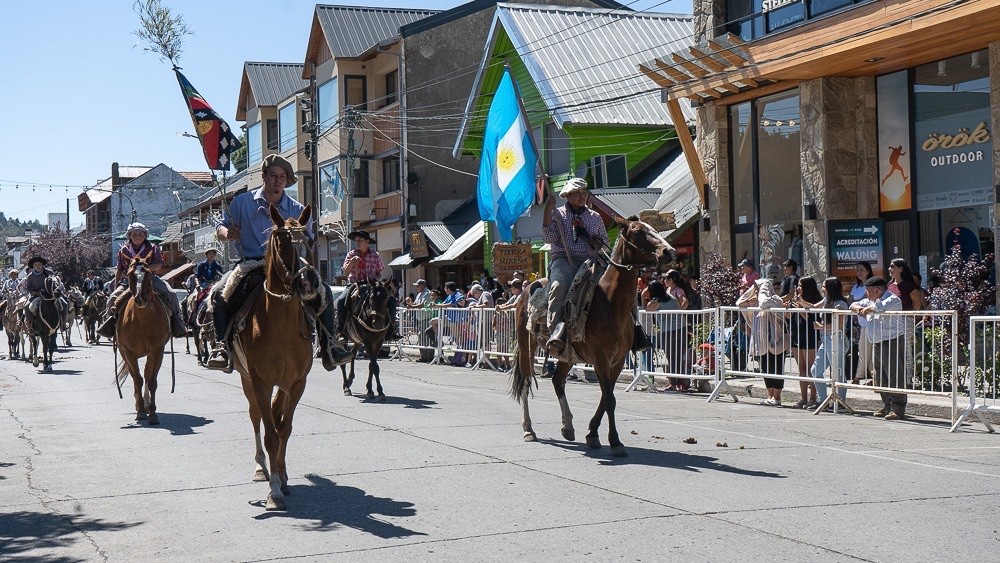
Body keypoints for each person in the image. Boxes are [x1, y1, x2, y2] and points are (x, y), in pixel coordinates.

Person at [207, 154, 350, 372]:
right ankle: (221, 347)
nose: (278, 180)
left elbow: (309, 240)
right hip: (251, 264)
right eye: (273, 175)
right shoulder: (242, 202)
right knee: (219, 293)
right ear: (263, 177)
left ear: (287, 181)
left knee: (325, 291)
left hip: (289, 268)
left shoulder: (297, 209)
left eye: (282, 177)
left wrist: (302, 239)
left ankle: (330, 345)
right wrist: (227, 233)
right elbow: (221, 227)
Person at [540, 177, 609, 352]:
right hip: (564, 258)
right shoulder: (558, 214)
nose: (582, 196)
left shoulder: (595, 217)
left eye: (584, 192)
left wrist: (597, 243)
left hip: (590, 260)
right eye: (577, 193)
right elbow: (549, 238)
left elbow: (605, 242)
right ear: (568, 195)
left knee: (613, 285)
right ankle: (556, 332)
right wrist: (547, 212)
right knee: (559, 285)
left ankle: (632, 330)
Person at [96, 224, 187, 339]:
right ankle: (109, 324)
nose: (137, 236)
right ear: (130, 236)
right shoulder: (123, 250)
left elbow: (158, 265)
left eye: (140, 234)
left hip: (149, 278)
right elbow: (119, 269)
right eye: (134, 234)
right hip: (130, 280)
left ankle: (177, 323)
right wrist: (115, 284)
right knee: (113, 298)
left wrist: (144, 269)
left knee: (172, 293)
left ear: (145, 236)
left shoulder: (153, 248)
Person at [850, 276, 908, 420]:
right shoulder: (870, 300)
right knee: (881, 376)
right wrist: (860, 309)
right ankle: (887, 405)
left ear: (877, 290)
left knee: (894, 375)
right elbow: (853, 305)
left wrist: (866, 309)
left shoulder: (893, 299)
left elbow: (877, 308)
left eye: (868, 290)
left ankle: (898, 408)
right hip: (877, 341)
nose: (866, 294)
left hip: (892, 340)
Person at [335, 229, 400, 342]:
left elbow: (379, 271)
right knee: (341, 301)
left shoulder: (375, 255)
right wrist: (352, 262)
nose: (357, 243)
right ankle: (340, 331)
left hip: (371, 285)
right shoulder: (351, 254)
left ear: (367, 241)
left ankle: (392, 330)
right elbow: (345, 272)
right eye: (356, 241)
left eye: (360, 240)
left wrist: (376, 279)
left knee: (391, 300)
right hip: (355, 284)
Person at [801, 277, 850, 408]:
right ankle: (825, 400)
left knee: (838, 371)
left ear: (830, 288)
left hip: (836, 339)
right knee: (816, 369)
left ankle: (840, 401)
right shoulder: (826, 300)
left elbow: (838, 324)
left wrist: (820, 327)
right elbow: (812, 307)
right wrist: (800, 300)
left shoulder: (840, 303)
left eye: (824, 286)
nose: (822, 288)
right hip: (825, 339)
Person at [738, 279, 786, 406]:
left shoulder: (775, 300)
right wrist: (752, 290)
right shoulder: (756, 302)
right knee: (766, 368)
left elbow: (764, 302)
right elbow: (740, 303)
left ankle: (777, 397)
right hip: (763, 342)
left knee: (776, 368)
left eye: (759, 288)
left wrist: (763, 287)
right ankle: (769, 396)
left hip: (776, 340)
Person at [788, 276, 822, 409]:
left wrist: (801, 305)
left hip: (809, 335)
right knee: (801, 368)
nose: (798, 288)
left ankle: (813, 397)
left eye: (800, 286)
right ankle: (803, 397)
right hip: (797, 334)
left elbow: (810, 319)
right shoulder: (797, 299)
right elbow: (789, 317)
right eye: (797, 285)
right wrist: (788, 308)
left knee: (810, 368)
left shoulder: (815, 301)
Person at [18, 256, 64, 326]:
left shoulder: (49, 273)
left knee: (63, 303)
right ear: (33, 266)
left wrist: (56, 290)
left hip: (50, 295)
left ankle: (62, 323)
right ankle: (30, 325)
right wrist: (34, 292)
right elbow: (28, 287)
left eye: (39, 264)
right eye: (35, 265)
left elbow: (56, 283)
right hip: (36, 295)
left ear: (42, 265)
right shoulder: (30, 276)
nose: (38, 266)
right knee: (27, 306)